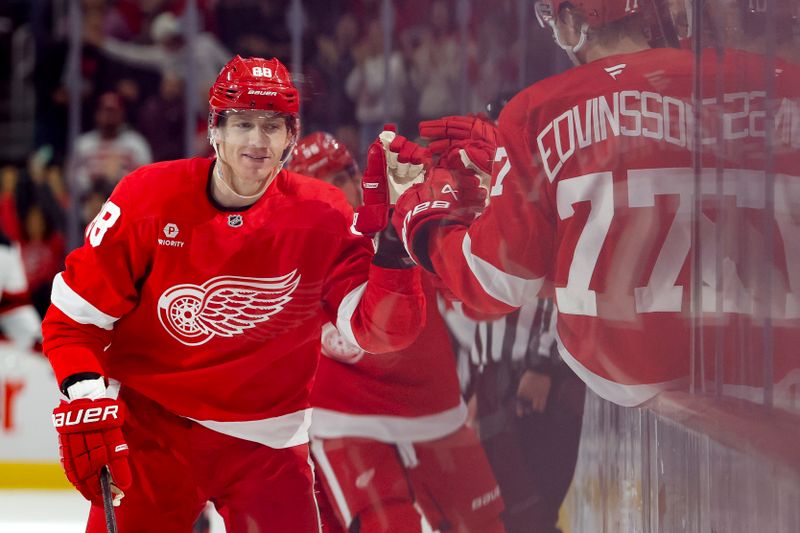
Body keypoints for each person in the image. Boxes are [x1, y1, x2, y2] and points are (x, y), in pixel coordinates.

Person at [42, 55, 425, 532]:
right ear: (214, 129)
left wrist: (395, 249)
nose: (256, 141)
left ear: (291, 135)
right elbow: (72, 323)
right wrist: (83, 394)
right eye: (242, 122)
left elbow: (382, 332)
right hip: (152, 433)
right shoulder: (147, 198)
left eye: (272, 126)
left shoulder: (323, 214)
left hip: (269, 444)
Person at [391, 0, 799, 407]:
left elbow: (499, 279)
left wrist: (425, 219)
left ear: (571, 21)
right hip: (781, 381)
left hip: (637, 380)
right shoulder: (781, 85)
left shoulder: (539, 109)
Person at [289, 132, 507, 533]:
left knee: (483, 525)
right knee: (387, 526)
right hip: (347, 419)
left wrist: (488, 214)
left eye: (345, 174)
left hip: (433, 408)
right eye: (322, 181)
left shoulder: (407, 215)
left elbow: (471, 303)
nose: (342, 188)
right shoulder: (294, 251)